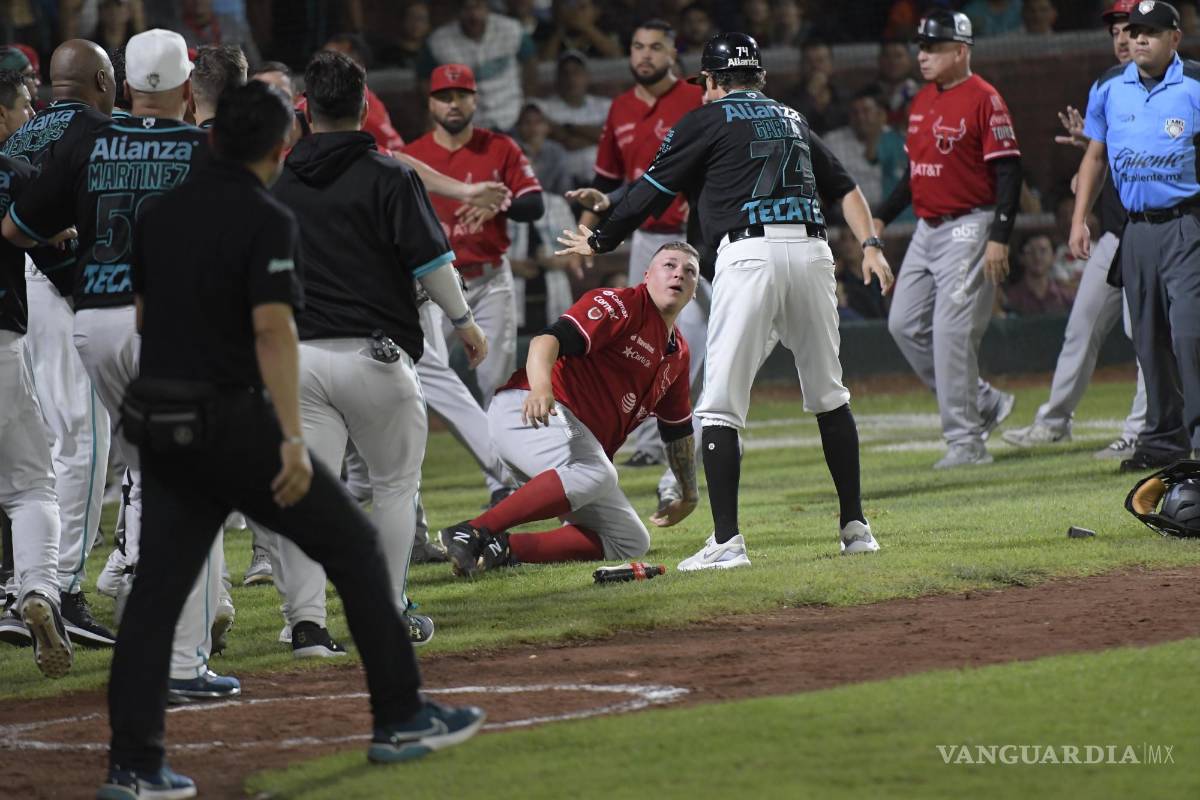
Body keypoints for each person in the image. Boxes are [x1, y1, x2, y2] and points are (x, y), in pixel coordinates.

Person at [95, 80, 485, 797]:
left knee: (156, 595)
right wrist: (291, 441)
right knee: (357, 546)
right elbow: (274, 331)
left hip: (161, 416)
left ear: (209, 133)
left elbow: (145, 315)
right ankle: (400, 716)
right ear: (281, 147)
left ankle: (134, 766)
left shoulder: (160, 213)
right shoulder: (265, 216)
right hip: (231, 418)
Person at [556, 33, 893, 570]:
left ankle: (728, 542)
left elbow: (652, 190)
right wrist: (871, 246)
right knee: (830, 396)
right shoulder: (790, 117)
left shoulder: (703, 119)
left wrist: (600, 236)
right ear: (757, 77)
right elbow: (846, 187)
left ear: (711, 82)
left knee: (718, 405)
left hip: (749, 257)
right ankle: (856, 529)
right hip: (811, 252)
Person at [2, 28, 237, 703]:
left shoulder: (85, 140)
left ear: (129, 87)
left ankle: (163, 624)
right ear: (188, 89)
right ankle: (183, 660)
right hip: (164, 322)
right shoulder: (203, 148)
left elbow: (16, 227)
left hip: (93, 324)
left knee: (150, 478)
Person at [266, 50, 488, 655]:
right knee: (394, 486)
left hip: (300, 358)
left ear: (305, 111)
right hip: (376, 357)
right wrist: (465, 321)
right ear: (365, 107)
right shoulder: (391, 174)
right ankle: (387, 612)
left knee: (308, 493)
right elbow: (433, 263)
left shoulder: (279, 181)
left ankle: (307, 624)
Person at [439, 243, 699, 575]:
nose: (678, 273)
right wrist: (541, 387)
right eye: (669, 265)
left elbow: (677, 428)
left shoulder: (678, 353)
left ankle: (499, 549)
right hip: (529, 409)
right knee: (599, 472)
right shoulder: (619, 304)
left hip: (569, 439)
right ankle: (473, 530)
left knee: (629, 540)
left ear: (693, 292)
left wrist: (688, 493)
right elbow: (546, 340)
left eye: (689, 271)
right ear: (647, 275)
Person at [0, 40, 118, 648]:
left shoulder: (25, 134)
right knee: (81, 443)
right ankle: (60, 588)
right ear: (102, 79)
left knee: (65, 443)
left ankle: (24, 582)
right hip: (54, 287)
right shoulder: (97, 130)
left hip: (25, 291)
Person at [873, 10, 1021, 469]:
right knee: (904, 324)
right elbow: (915, 176)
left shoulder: (984, 98)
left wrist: (999, 235)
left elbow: (1010, 171)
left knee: (953, 333)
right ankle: (984, 401)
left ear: (960, 51)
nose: (923, 55)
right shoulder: (921, 101)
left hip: (970, 224)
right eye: (921, 47)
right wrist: (879, 218)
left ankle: (966, 443)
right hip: (927, 227)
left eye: (934, 47)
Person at [1002, 0, 1148, 458]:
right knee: (1081, 328)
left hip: (1155, 234)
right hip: (1113, 233)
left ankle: (1141, 430)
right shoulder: (1106, 85)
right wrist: (1090, 153)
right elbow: (1102, 159)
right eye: (1115, 31)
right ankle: (1055, 421)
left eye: (1130, 29)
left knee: (1145, 335)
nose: (1121, 39)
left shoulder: (1177, 84)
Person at [1070, 0, 1200, 469]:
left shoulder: (1195, 84)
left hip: (1188, 225)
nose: (1138, 38)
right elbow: (1095, 158)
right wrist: (1078, 218)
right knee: (1147, 339)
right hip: (1136, 231)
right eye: (1134, 30)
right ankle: (1164, 441)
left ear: (1175, 39)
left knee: (1190, 334)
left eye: (1151, 31)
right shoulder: (1108, 87)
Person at [573, 19, 705, 469]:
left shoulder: (695, 97)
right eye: (637, 46)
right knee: (644, 346)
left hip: (700, 241)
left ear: (673, 53)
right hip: (648, 241)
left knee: (704, 338)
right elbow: (608, 182)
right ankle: (653, 443)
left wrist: (703, 197)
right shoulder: (621, 108)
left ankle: (700, 426)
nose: (645, 55)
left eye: (655, 47)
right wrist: (587, 231)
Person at [402, 63, 545, 406]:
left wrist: (500, 204)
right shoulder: (412, 158)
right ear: (431, 103)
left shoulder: (500, 147)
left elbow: (534, 204)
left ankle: (496, 461)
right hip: (434, 286)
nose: (453, 104)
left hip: (490, 281)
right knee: (421, 378)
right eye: (444, 97)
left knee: (497, 384)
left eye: (461, 96)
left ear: (475, 101)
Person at [0, 77, 73, 679]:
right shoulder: (16, 174)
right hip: (1, 341)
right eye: (23, 106)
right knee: (30, 486)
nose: (30, 115)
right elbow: (57, 255)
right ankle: (39, 591)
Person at [417, 0, 537, 132]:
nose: (474, 14)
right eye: (467, 8)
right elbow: (424, 81)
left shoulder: (512, 29)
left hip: (511, 117)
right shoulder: (438, 41)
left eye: (478, 7)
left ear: (487, 8)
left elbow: (530, 65)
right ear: (458, 11)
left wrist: (526, 102)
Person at [821, 86, 908, 209]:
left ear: (880, 114)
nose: (860, 117)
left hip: (890, 214)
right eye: (855, 113)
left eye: (866, 111)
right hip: (846, 215)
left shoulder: (895, 141)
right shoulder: (832, 141)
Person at [534, 50, 610, 189]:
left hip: (599, 184)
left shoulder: (604, 106)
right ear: (557, 79)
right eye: (565, 73)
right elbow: (568, 141)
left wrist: (570, 128)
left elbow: (613, 137)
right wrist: (594, 136)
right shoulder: (543, 107)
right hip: (561, 186)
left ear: (587, 77)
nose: (571, 78)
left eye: (576, 72)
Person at [782, 40, 846, 135]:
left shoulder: (844, 96)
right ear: (801, 66)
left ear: (831, 65)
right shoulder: (788, 98)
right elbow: (791, 126)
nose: (815, 66)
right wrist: (810, 94)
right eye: (809, 62)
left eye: (820, 61)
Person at [1005, 233, 1071, 315]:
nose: (1037, 257)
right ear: (1021, 258)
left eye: (1043, 251)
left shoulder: (1065, 297)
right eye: (1030, 251)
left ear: (1053, 257)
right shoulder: (1011, 298)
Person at [539, 0, 622, 61]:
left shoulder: (607, 30)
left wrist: (587, 28)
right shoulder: (546, 31)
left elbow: (617, 56)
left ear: (596, 12)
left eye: (582, 7)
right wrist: (560, 30)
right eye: (570, 6)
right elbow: (544, 62)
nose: (575, 12)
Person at [868, 39, 920, 128]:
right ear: (879, 60)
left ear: (909, 61)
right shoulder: (867, 95)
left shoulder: (922, 94)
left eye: (898, 56)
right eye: (887, 56)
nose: (892, 61)